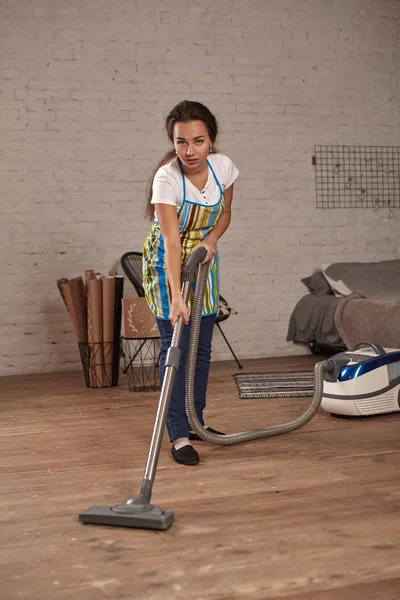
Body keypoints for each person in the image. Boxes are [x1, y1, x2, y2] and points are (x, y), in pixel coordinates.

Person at [142, 100, 239, 466]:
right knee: (176, 351)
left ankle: (197, 421)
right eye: (181, 142)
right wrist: (174, 297)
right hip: (167, 264)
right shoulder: (167, 179)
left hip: (203, 263)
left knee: (201, 350)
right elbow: (169, 243)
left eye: (198, 141)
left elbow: (226, 213)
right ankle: (179, 435)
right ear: (173, 141)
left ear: (210, 140)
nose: (190, 151)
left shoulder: (223, 168)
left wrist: (211, 241)